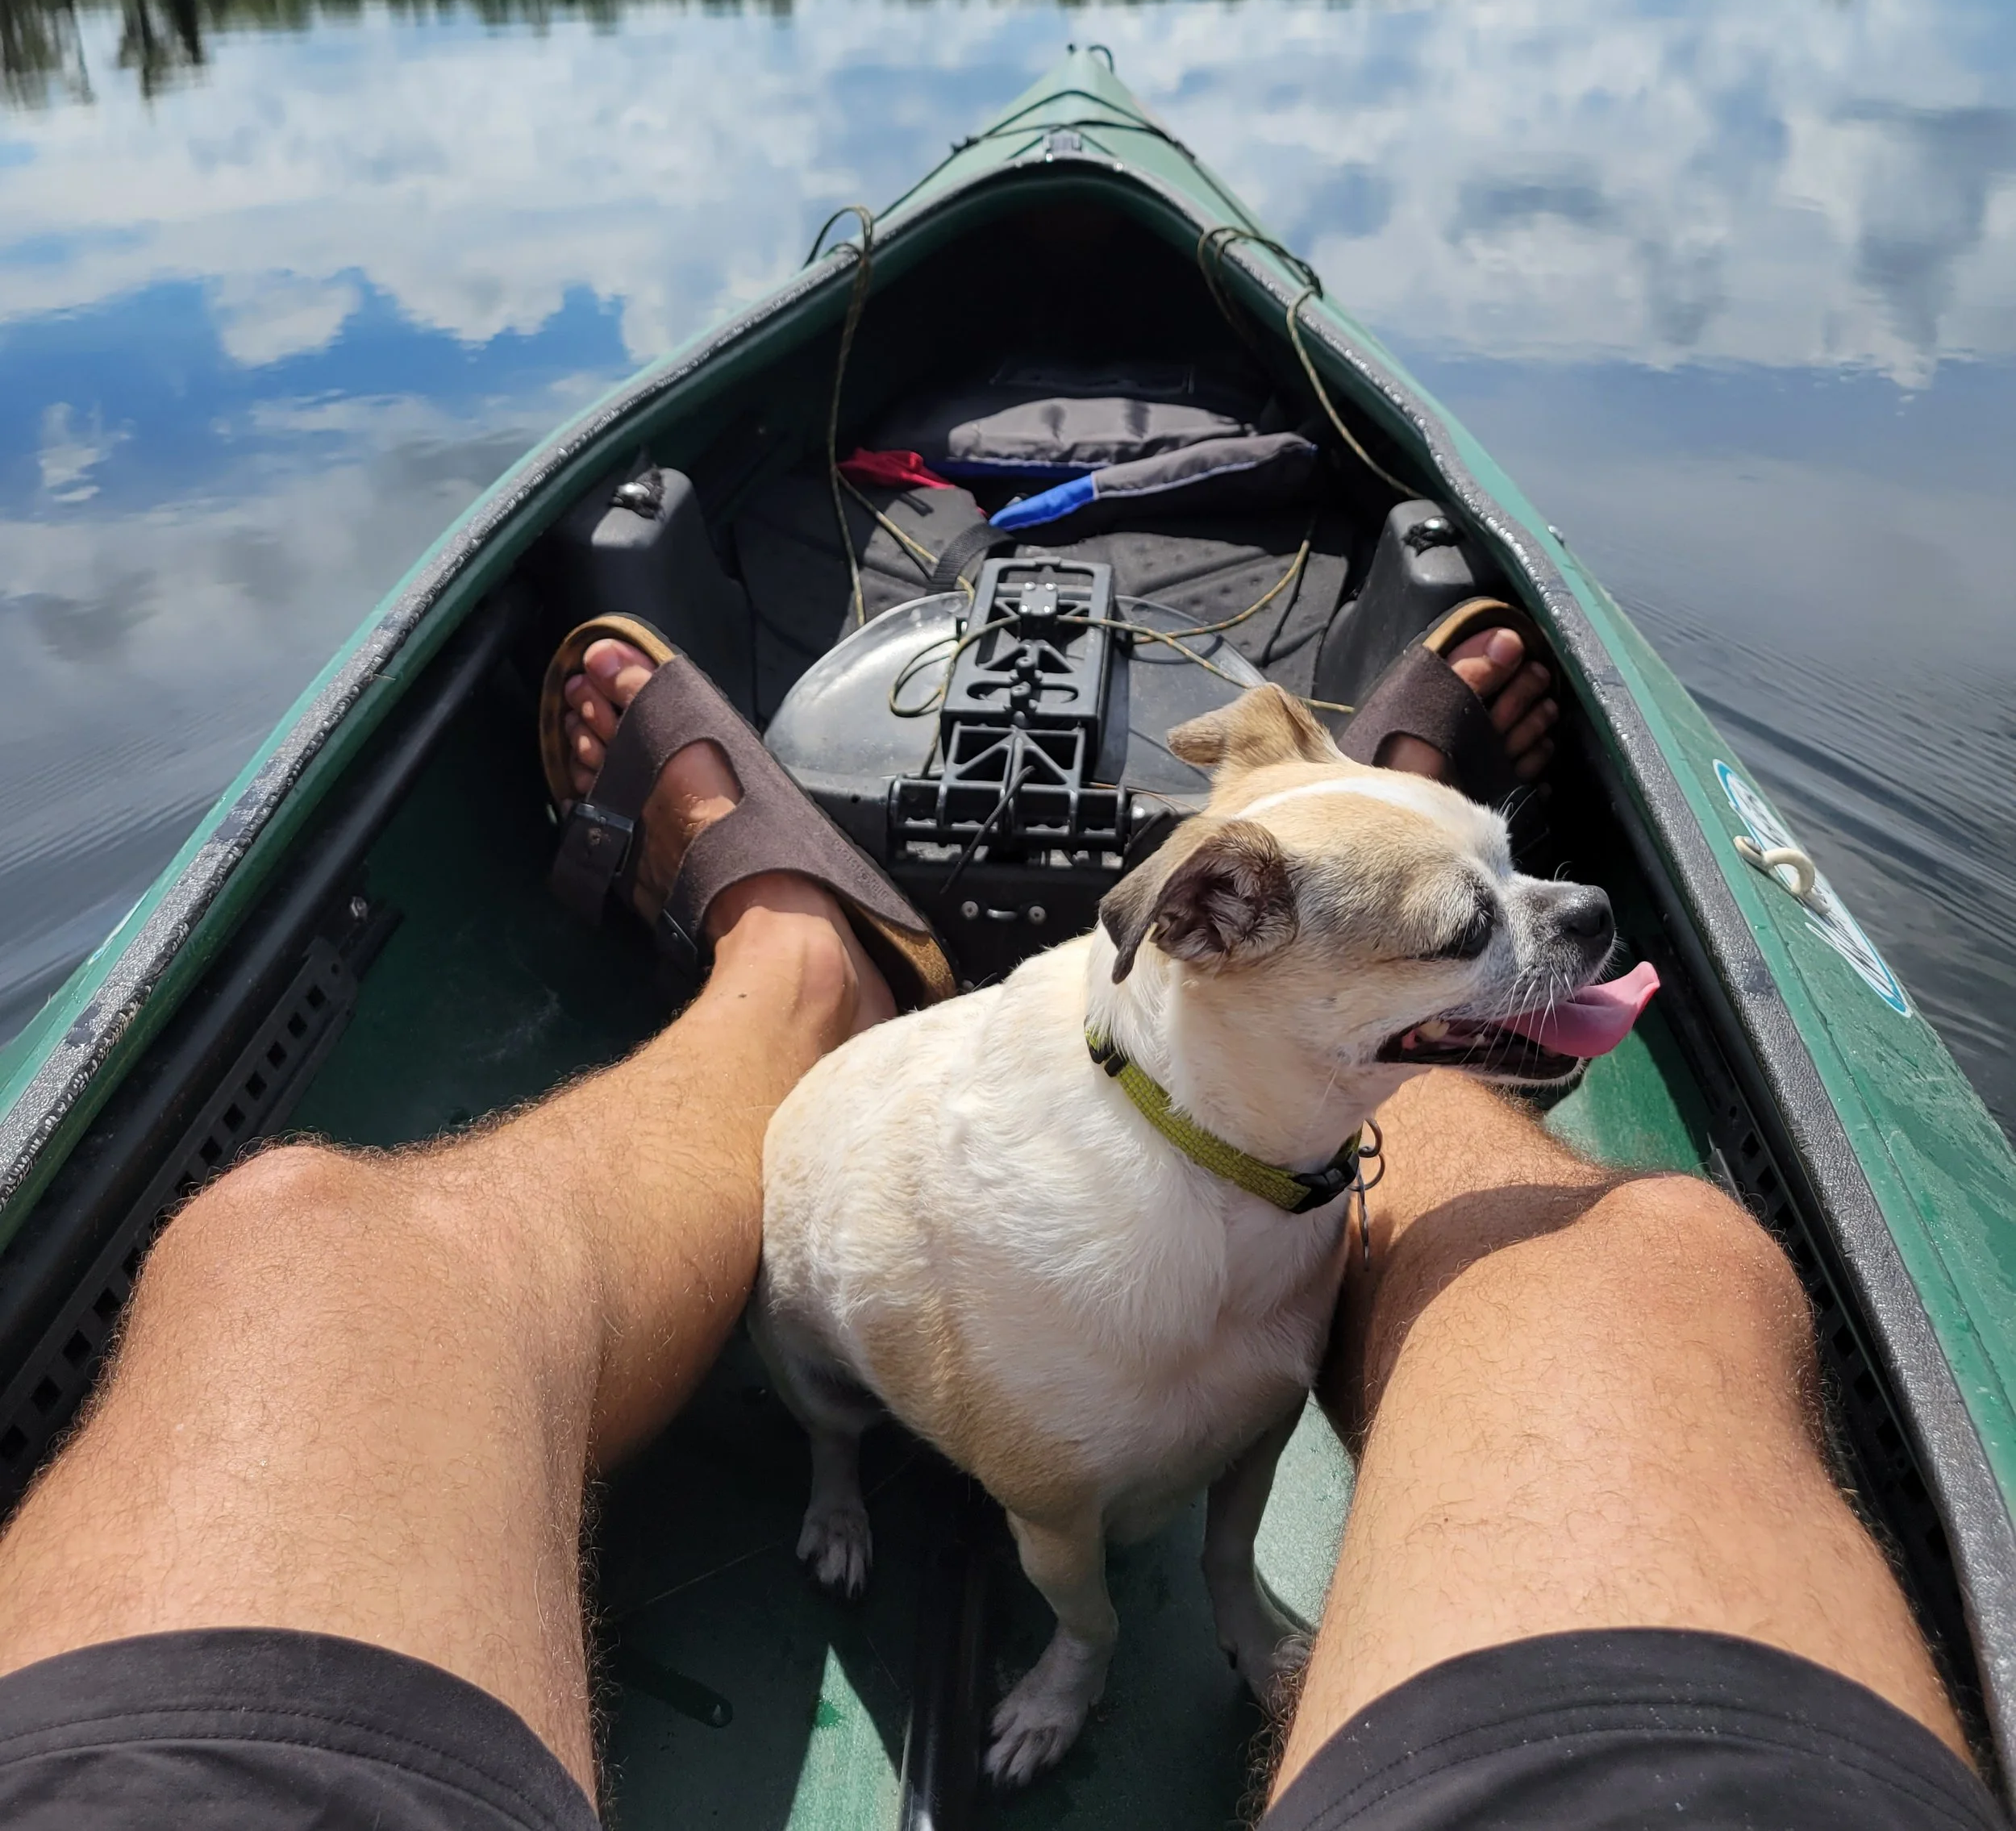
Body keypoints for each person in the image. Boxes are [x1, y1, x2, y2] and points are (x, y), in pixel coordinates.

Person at [0, 625, 1994, 1831]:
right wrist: (1080, 1642)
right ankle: (818, 992)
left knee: (287, 1252)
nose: (1549, 919)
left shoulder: (1199, 970)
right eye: (1475, 913)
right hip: (946, 1356)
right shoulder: (1110, 1140)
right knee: (1660, 1262)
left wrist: (1234, 1588)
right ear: (1201, 922)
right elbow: (1077, 1491)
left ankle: (841, 942)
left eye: (1503, 877)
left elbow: (1239, 1421)